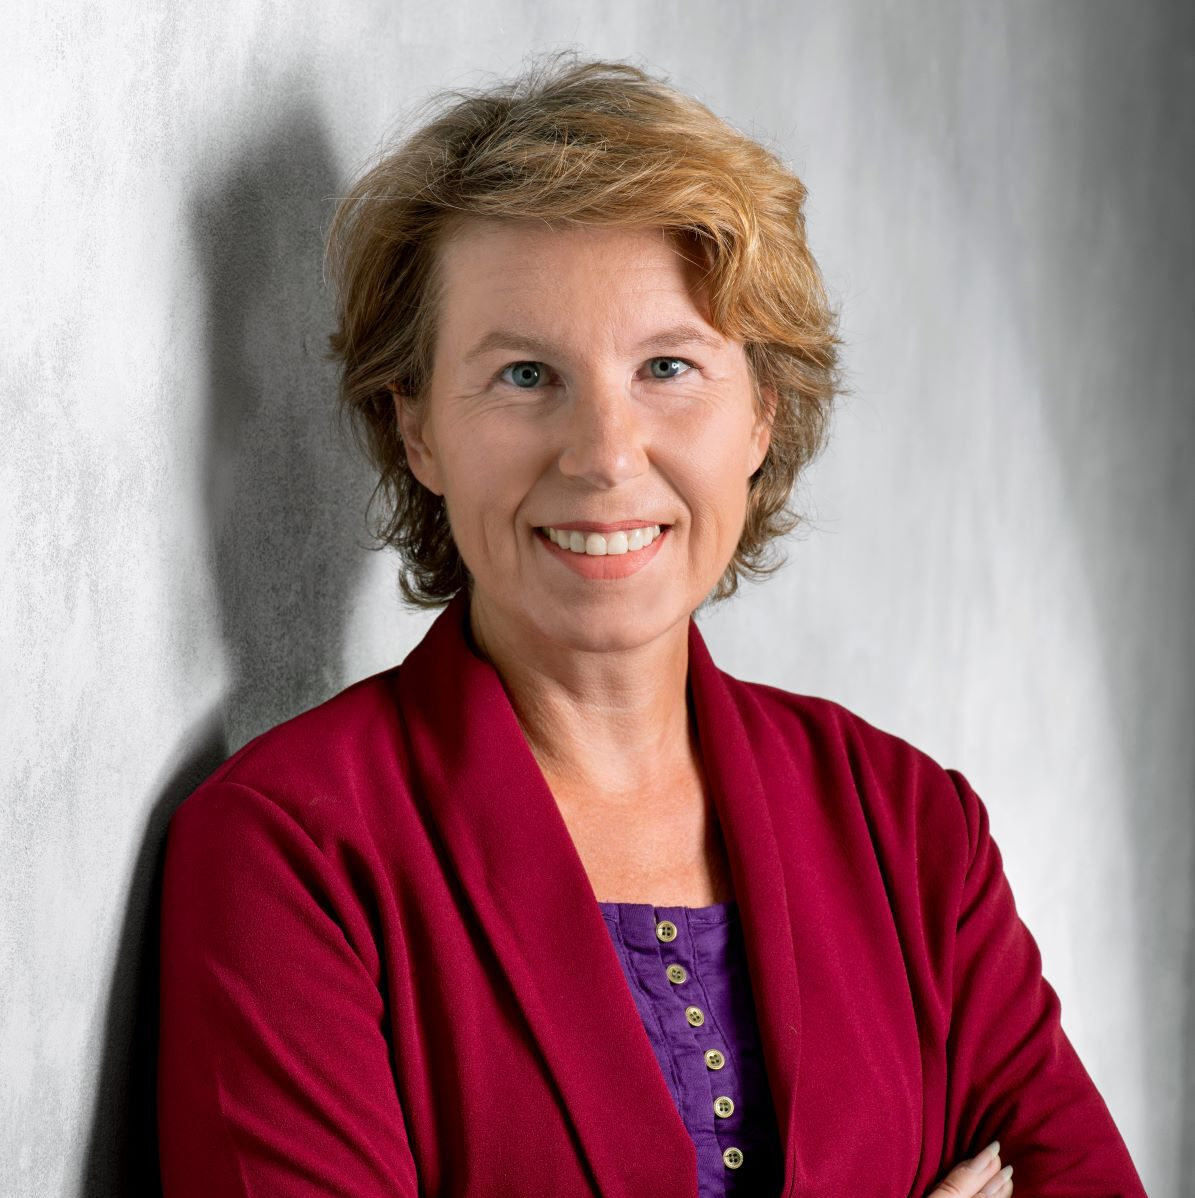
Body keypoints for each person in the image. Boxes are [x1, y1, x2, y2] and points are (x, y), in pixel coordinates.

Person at [156, 53, 1146, 1197]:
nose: (605, 456)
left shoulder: (915, 831)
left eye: (667, 365)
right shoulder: (290, 854)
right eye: (525, 375)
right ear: (417, 427)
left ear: (761, 412)